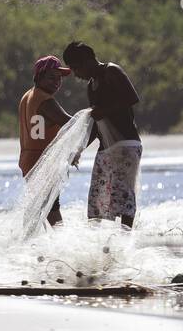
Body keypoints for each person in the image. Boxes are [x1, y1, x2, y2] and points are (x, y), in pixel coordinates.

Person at [62, 41, 142, 229]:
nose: (76, 74)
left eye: (76, 68)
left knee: (123, 195)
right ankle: (104, 243)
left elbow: (132, 97)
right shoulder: (91, 86)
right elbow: (98, 125)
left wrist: (104, 110)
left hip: (126, 144)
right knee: (98, 197)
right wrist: (80, 149)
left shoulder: (111, 71)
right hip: (106, 148)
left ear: (87, 61)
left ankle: (124, 239)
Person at [18, 54, 71, 226]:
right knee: (50, 205)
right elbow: (68, 122)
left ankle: (29, 240)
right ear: (39, 76)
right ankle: (59, 239)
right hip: (42, 160)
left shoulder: (28, 96)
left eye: (59, 78)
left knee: (41, 204)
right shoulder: (45, 100)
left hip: (29, 159)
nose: (56, 82)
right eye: (51, 78)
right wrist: (93, 115)